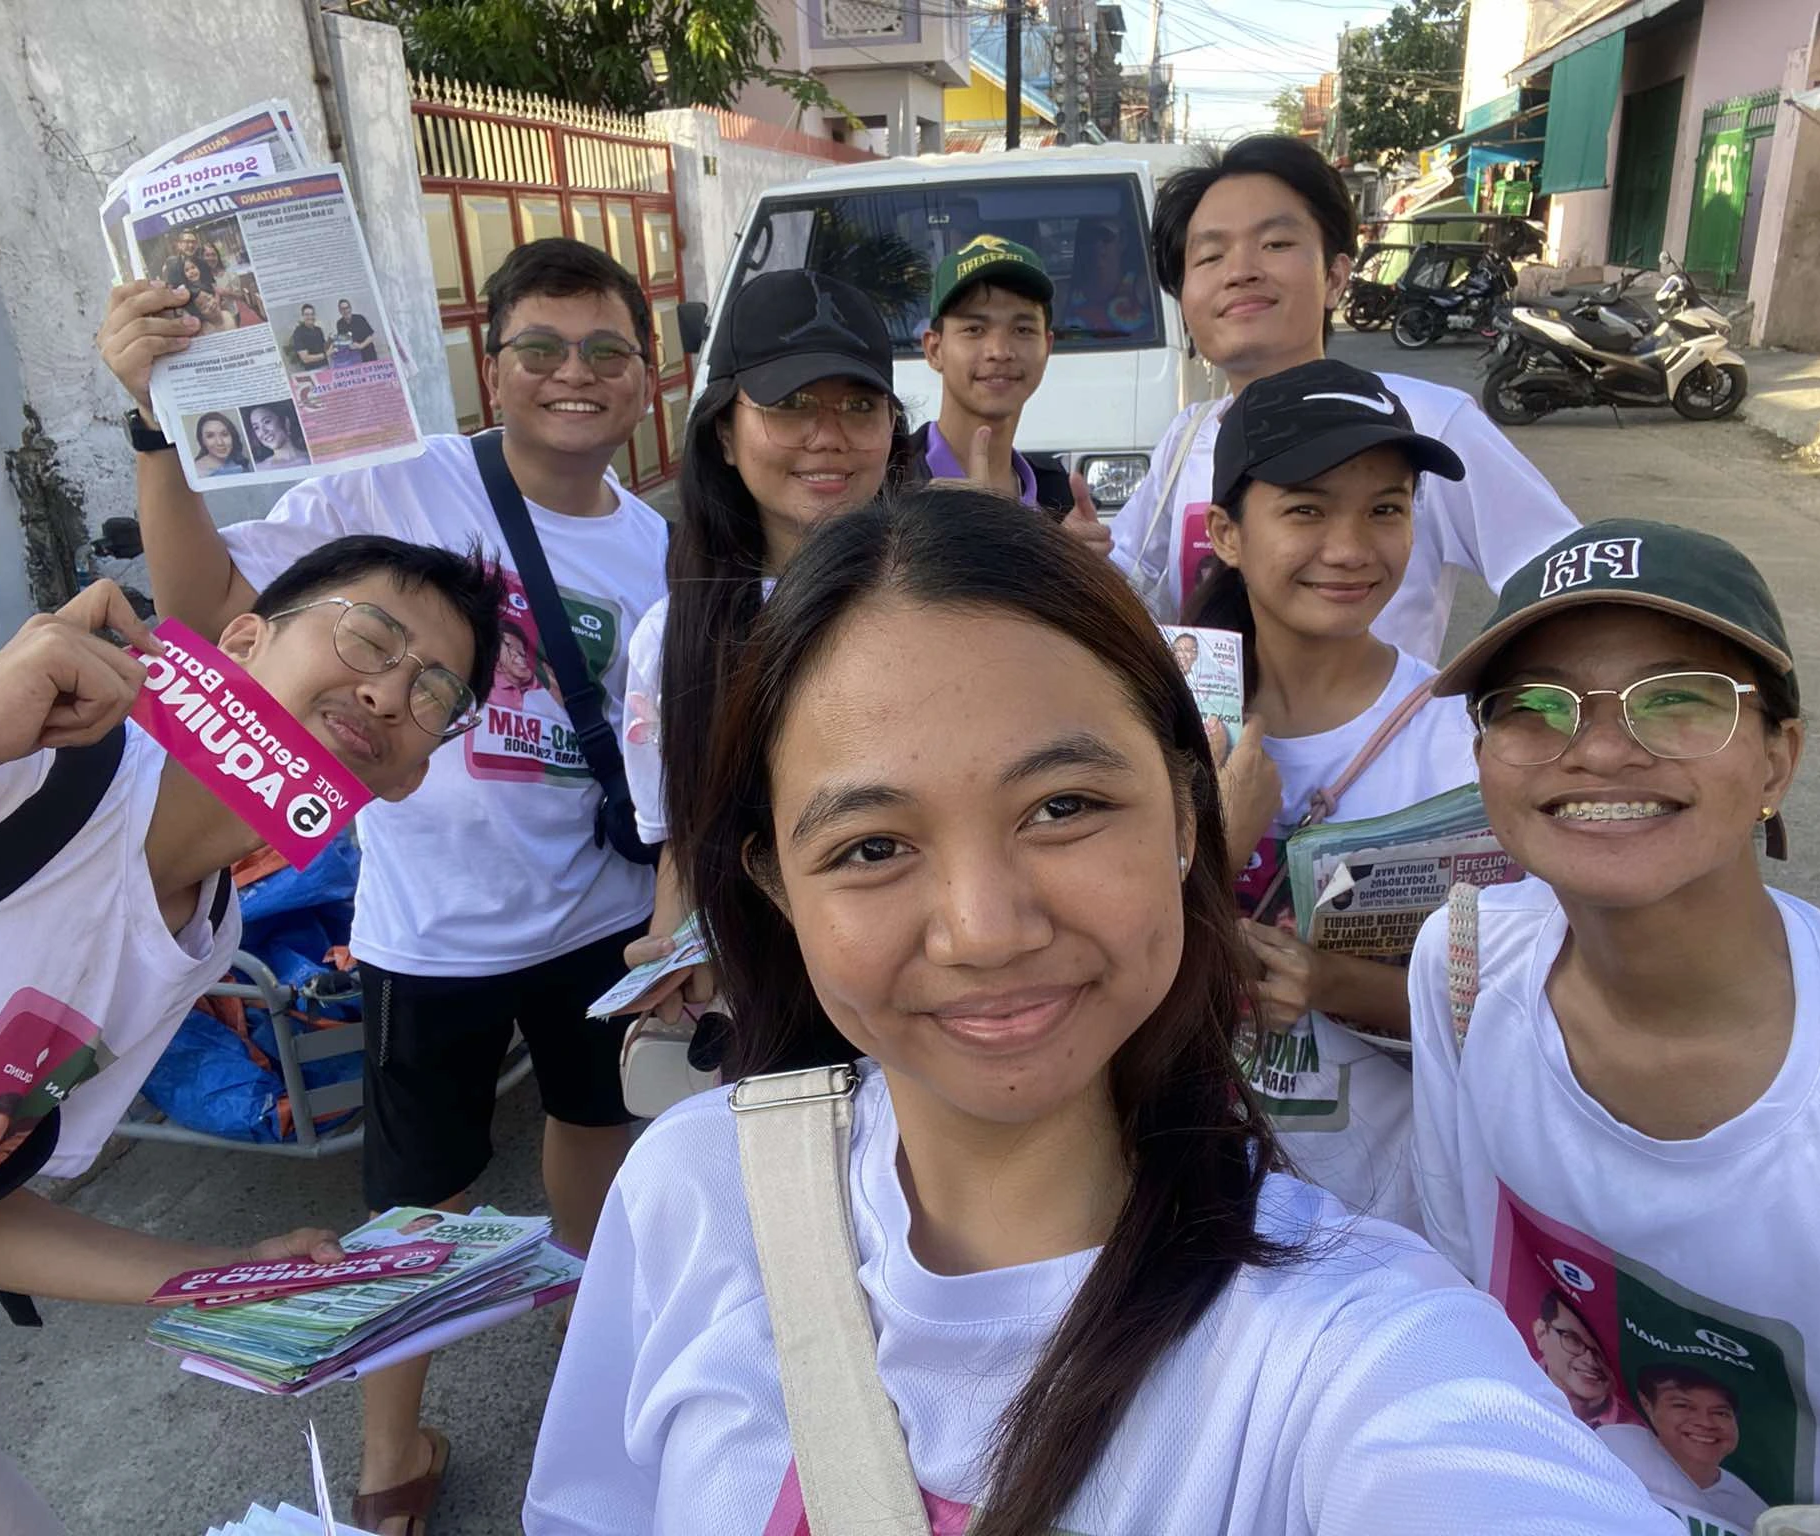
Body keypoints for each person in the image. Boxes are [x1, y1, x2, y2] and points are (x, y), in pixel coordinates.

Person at [523, 488, 1684, 1535]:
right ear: (776, 885)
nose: (984, 929)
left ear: (1190, 818)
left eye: (1063, 805)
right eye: (871, 846)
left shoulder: (1346, 1346)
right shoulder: (690, 1192)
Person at [98, 236, 668, 1535]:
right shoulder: (396, 483)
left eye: (605, 351)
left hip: (600, 920)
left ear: (646, 379)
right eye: (541, 346)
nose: (572, 374)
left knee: (597, 1129)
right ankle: (387, 1454)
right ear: (494, 362)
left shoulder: (654, 547)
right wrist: (152, 422)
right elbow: (205, 609)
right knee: (418, 1204)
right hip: (430, 932)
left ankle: (596, 1334)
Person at [0, 539, 500, 1533]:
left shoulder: (200, 938)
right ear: (241, 640)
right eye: (369, 637)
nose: (392, 695)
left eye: (434, 692)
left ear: (410, 778)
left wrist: (218, 1279)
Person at [1408, 518, 1820, 1517]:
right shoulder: (1463, 965)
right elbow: (1467, 1282)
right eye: (1532, 705)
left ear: (1776, 762)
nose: (1602, 749)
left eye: (1676, 700)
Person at [1185, 358, 1478, 1232]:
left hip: (1393, 1209)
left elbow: (1513, 1001)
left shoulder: (1466, 742)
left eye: (1386, 509)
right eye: (1306, 509)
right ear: (1227, 534)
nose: (1351, 549)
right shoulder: (1156, 720)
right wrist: (1214, 849)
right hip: (1183, 1179)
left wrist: (1330, 981)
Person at [1109, 134, 1578, 666]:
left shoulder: (1425, 424)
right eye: (1210, 255)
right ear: (1184, 297)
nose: (1240, 271)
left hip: (1382, 749)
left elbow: (1561, 579)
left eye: (1276, 244)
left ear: (1335, 277)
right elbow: (1128, 578)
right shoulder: (1187, 438)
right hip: (1212, 749)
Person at [618, 271, 908, 1023]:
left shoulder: (950, 608)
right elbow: (684, 846)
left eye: (859, 405)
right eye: (790, 405)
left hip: (921, 974)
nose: (828, 435)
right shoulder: (673, 639)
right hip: (762, 1006)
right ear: (724, 430)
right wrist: (671, 952)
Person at [909, 235, 1073, 512]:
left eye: (1022, 330)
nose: (999, 351)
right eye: (974, 329)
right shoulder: (888, 486)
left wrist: (1077, 556)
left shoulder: (1056, 496)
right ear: (934, 350)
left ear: (1047, 347)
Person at [1599, 1367, 1769, 1536]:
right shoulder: (1616, 1445)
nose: (1705, 1423)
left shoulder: (1753, 1511)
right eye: (1683, 1406)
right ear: (1647, 1406)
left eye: (1720, 1413)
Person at [1530, 1290, 1619, 1427]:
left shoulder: (1643, 1434)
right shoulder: (1502, 1386)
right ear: (1541, 1333)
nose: (1591, 1361)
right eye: (1574, 1340)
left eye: (1605, 1350)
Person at [1064, 217, 1152, 340]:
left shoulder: (1143, 287)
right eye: (1091, 237)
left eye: (1105, 235)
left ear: (1123, 241)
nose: (1098, 244)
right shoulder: (1065, 293)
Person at [245, 403, 309, 470]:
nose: (263, 432)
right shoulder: (258, 468)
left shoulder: (310, 459)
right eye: (256, 427)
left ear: (286, 422)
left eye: (267, 422)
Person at [189, 412, 251, 478]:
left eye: (224, 434)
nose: (220, 442)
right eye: (210, 436)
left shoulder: (240, 463)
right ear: (202, 441)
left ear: (232, 436)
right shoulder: (195, 471)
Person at [288, 303, 329, 370]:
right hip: (313, 370)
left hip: (326, 366)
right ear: (302, 316)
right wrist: (325, 355)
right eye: (307, 315)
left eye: (312, 314)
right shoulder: (298, 332)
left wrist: (331, 341)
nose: (310, 317)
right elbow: (305, 358)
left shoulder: (318, 330)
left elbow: (324, 347)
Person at [337, 299, 379, 363]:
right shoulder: (339, 323)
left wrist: (361, 346)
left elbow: (371, 336)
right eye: (342, 309)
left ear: (350, 308)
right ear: (339, 311)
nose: (345, 311)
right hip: (353, 358)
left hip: (368, 354)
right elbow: (343, 340)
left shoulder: (360, 318)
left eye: (347, 308)